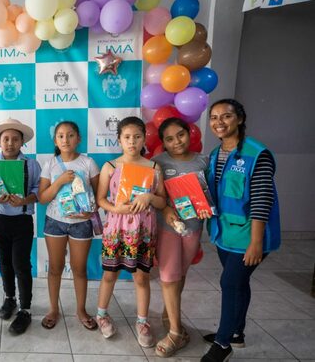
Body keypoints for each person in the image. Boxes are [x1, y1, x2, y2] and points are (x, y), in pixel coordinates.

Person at [201, 99, 281, 362]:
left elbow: (261, 200)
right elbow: (216, 194)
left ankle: (223, 344)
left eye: (226, 116)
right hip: (226, 234)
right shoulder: (215, 154)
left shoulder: (258, 154)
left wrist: (256, 242)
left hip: (249, 236)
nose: (219, 122)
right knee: (238, 283)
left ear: (240, 119)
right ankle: (236, 332)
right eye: (213, 117)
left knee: (229, 283)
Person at [95, 117, 166, 348]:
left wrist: (150, 197)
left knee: (141, 276)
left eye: (137, 136)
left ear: (144, 138)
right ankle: (102, 314)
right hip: (116, 229)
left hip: (143, 231)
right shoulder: (111, 167)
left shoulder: (154, 168)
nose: (132, 141)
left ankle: (143, 322)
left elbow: (163, 202)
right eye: (127, 137)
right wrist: (115, 207)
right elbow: (101, 200)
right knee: (109, 274)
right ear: (119, 139)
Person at [152, 117, 210, 357]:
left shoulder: (204, 162)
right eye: (169, 138)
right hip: (167, 229)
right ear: (163, 143)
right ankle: (176, 332)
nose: (176, 141)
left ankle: (169, 314)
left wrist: (207, 206)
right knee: (167, 275)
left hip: (194, 228)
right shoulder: (157, 163)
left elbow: (210, 194)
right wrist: (167, 211)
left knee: (180, 274)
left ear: (190, 134)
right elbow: (154, 197)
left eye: (181, 135)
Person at [37, 120, 99, 331]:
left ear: (78, 138)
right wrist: (59, 181)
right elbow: (43, 198)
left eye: (70, 135)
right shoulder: (50, 164)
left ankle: (81, 310)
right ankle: (53, 309)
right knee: (55, 268)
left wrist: (91, 209)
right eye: (61, 136)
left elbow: (99, 197)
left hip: (81, 223)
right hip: (55, 222)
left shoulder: (88, 163)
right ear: (55, 140)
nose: (66, 139)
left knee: (79, 269)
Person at [0, 118, 41, 335]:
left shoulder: (31, 164)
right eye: (6, 139)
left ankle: (25, 309)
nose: (10, 143)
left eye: (15, 139)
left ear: (22, 142)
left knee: (21, 264)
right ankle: (9, 298)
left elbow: (39, 192)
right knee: (4, 262)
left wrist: (24, 200)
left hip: (22, 221)